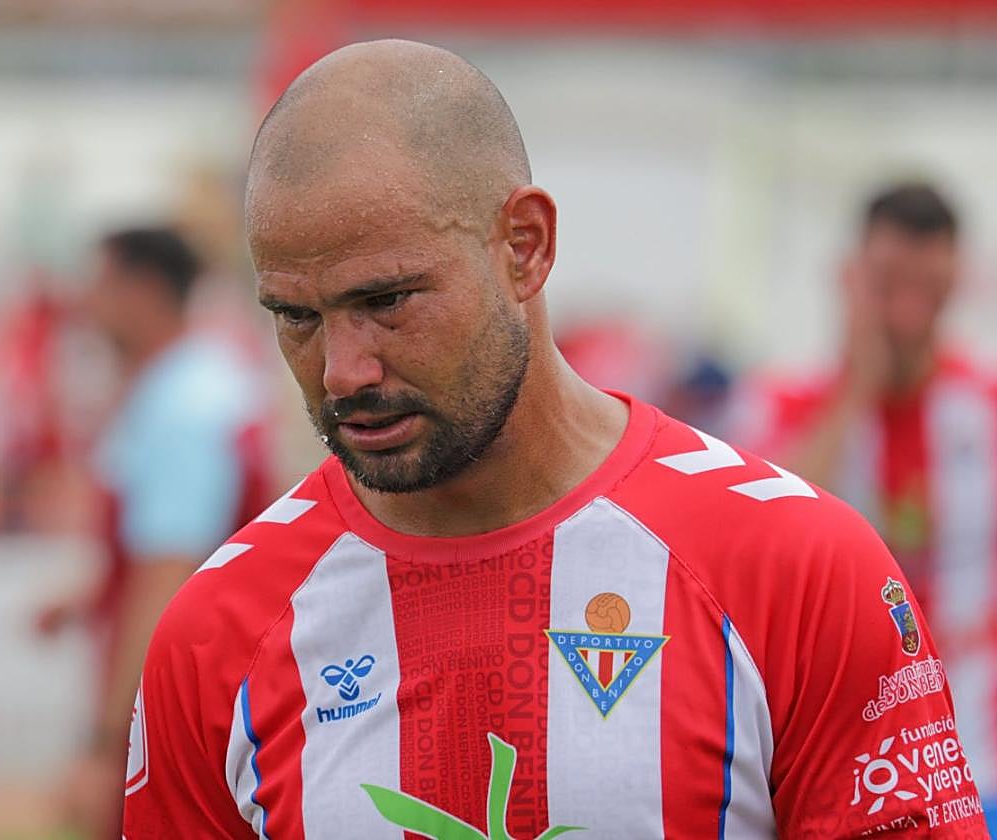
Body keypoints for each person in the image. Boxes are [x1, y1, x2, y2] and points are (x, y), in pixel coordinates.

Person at [123, 42, 986, 838]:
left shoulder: (796, 567)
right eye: (296, 316)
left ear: (525, 247)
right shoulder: (217, 636)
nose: (343, 371)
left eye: (386, 301)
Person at [735, 181, 997, 828]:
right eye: (888, 287)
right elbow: (757, 542)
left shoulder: (985, 406)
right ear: (850, 280)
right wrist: (856, 388)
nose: (906, 315)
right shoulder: (782, 403)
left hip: (982, 759)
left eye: (928, 292)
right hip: (840, 762)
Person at [47, 228, 271, 836]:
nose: (86, 303)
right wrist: (93, 595)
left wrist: (106, 745)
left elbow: (166, 579)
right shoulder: (191, 383)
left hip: (183, 711)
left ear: (142, 292)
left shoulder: (182, 405)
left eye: (99, 284)